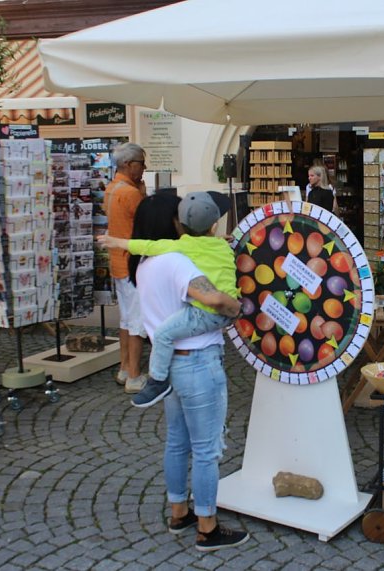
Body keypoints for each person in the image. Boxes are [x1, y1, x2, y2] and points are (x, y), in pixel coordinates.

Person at [129, 193, 250, 551]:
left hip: (170, 369)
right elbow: (213, 299)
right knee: (207, 449)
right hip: (198, 363)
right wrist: (235, 308)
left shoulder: (148, 263)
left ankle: (179, 511)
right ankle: (208, 527)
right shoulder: (178, 261)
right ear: (174, 223)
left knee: (177, 443)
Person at [98, 191, 238, 408]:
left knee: (163, 334)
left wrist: (116, 241)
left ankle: (158, 380)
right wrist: (237, 306)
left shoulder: (174, 252)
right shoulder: (220, 246)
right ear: (213, 226)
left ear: (180, 224)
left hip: (203, 319)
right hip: (209, 340)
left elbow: (148, 246)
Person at [103, 142, 148, 394]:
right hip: (133, 263)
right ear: (130, 165)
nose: (143, 168)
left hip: (118, 262)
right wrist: (142, 194)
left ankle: (124, 368)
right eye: (141, 163)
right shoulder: (130, 193)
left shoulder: (111, 189)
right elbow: (145, 222)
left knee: (126, 319)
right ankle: (134, 375)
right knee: (137, 322)